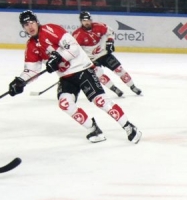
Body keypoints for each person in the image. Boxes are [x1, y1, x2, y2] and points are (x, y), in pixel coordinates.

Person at [9, 10, 142, 144]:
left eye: (31, 22)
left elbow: (74, 47)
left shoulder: (50, 29)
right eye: (26, 24)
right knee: (65, 104)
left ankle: (129, 127)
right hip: (66, 77)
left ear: (36, 21)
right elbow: (31, 70)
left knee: (100, 101)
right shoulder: (31, 45)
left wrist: (59, 57)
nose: (30, 26)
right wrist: (20, 81)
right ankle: (93, 129)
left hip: (83, 69)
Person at [72, 11, 143, 98]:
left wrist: (110, 42)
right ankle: (114, 89)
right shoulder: (77, 35)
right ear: (81, 21)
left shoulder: (99, 26)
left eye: (88, 20)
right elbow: (74, 49)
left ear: (91, 20)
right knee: (98, 74)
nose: (86, 22)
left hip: (104, 54)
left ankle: (133, 86)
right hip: (92, 59)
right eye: (84, 20)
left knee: (119, 69)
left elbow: (111, 32)